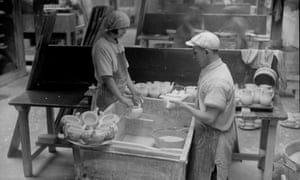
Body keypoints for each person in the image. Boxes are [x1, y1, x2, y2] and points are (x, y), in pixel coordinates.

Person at [171, 31, 237, 180]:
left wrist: (184, 106)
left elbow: (209, 118)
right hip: (209, 136)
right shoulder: (212, 68)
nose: (193, 57)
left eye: (196, 53)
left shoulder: (217, 81)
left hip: (216, 142)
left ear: (206, 52)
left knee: (211, 176)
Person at [92, 10, 141, 111]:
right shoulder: (101, 47)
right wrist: (122, 98)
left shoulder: (118, 45)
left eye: (126, 28)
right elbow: (107, 78)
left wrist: (134, 91)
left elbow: (124, 73)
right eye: (122, 28)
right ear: (113, 27)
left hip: (118, 94)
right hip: (107, 96)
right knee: (107, 123)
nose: (125, 31)